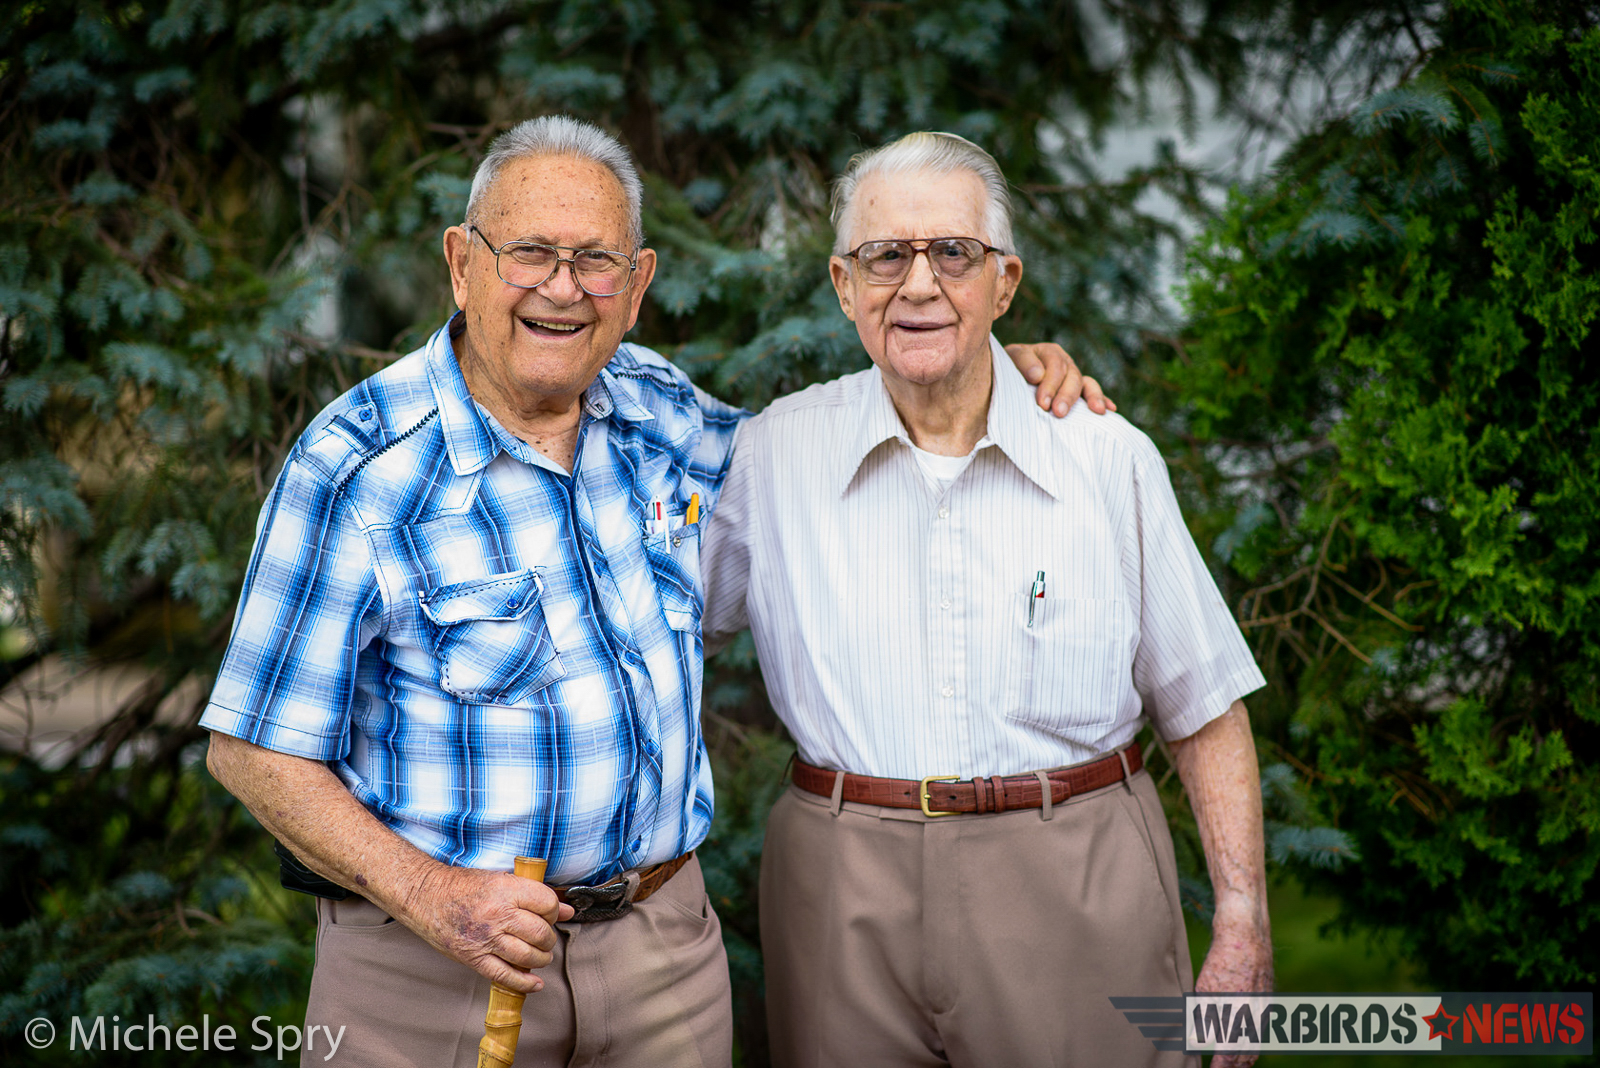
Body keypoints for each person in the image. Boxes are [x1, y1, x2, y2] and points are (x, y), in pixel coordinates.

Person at [200, 115, 1096, 1068]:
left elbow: (820, 462)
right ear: (462, 264)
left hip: (666, 961)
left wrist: (986, 368)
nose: (561, 288)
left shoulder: (655, 407)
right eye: (530, 253)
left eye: (596, 261)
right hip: (439, 975)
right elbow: (252, 750)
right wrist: (435, 899)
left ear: (637, 287)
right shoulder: (358, 468)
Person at [701, 131, 1273, 1068]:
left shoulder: (1103, 455)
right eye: (886, 255)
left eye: (952, 253)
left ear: (1003, 283)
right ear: (845, 287)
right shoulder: (771, 457)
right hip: (840, 894)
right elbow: (651, 633)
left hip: (1073, 879)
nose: (918, 284)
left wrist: (1243, 920)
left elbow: (1202, 702)